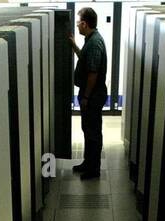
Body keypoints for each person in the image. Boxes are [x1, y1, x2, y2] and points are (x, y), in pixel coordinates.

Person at [69, 7, 107, 179]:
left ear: (84, 24)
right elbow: (85, 59)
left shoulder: (94, 43)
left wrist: (86, 97)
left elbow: (93, 73)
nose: (77, 26)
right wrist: (74, 46)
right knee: (88, 130)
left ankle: (93, 169)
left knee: (92, 132)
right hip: (91, 94)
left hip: (92, 96)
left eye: (78, 23)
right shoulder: (90, 40)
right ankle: (87, 163)